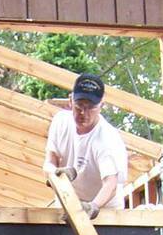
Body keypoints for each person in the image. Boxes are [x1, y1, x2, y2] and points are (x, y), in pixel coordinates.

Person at [42, 72, 129, 219]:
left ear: (101, 105)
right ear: (70, 101)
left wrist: (93, 206)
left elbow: (111, 184)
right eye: (79, 106)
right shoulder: (60, 122)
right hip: (70, 201)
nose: (84, 113)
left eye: (90, 107)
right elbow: (50, 160)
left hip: (105, 207)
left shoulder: (107, 139)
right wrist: (54, 173)